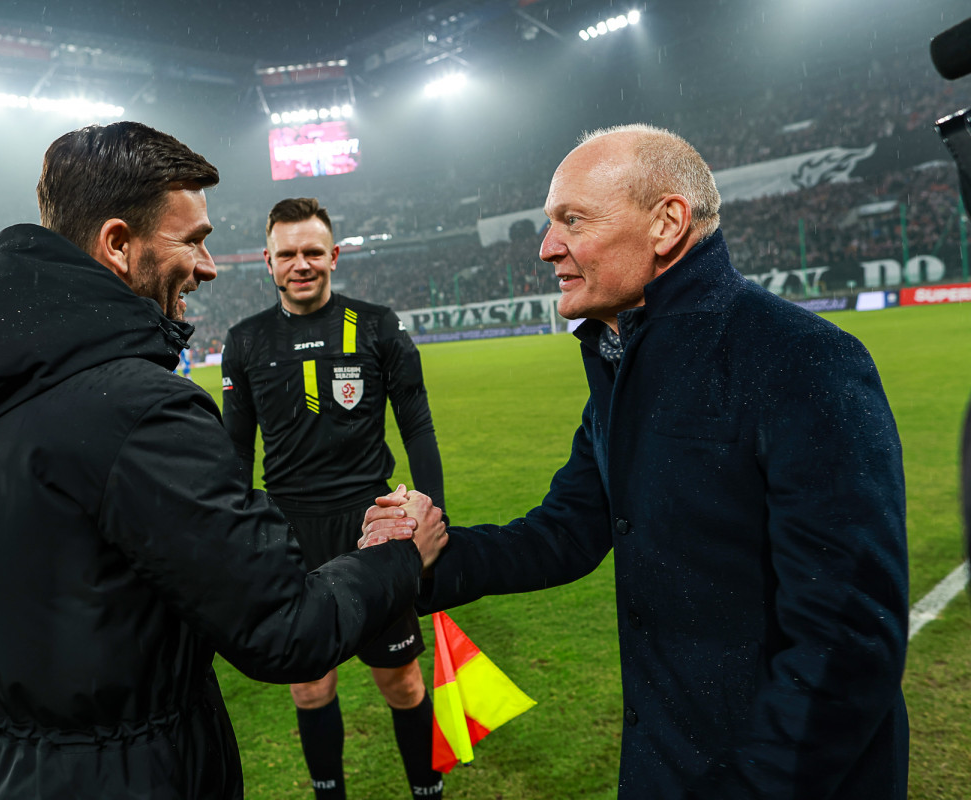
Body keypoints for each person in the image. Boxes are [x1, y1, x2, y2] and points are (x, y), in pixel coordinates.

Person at [0, 121, 447, 800]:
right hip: (129, 774)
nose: (208, 266)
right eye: (193, 240)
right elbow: (285, 629)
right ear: (118, 244)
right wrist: (398, 556)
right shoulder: (141, 409)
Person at [364, 124, 909, 798]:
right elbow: (565, 531)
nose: (546, 247)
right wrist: (427, 559)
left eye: (572, 220)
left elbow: (846, 643)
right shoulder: (620, 369)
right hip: (665, 765)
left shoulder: (804, 360)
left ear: (666, 224)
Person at [222, 197, 446, 800]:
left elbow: (417, 426)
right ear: (268, 261)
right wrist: (235, 535)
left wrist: (434, 511)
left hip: (373, 527)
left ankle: (427, 792)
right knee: (310, 687)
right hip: (290, 534)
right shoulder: (245, 341)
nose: (302, 263)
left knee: (402, 682)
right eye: (288, 253)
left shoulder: (376, 326)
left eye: (313, 251)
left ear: (335, 256)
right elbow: (235, 451)